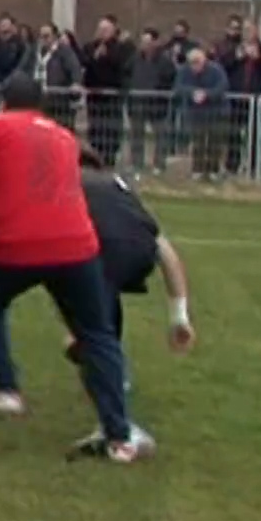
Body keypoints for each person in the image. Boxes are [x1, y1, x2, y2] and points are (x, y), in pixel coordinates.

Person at [0, 75, 153, 464]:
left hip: (10, 243)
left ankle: (5, 388)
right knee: (97, 333)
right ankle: (119, 435)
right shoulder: (65, 137)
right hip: (74, 244)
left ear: (3, 102)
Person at [70, 145, 195, 453]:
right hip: (138, 252)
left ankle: (118, 432)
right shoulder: (122, 191)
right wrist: (180, 317)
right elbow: (166, 252)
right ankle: (114, 389)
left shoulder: (67, 184)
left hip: (93, 249)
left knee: (93, 339)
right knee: (101, 330)